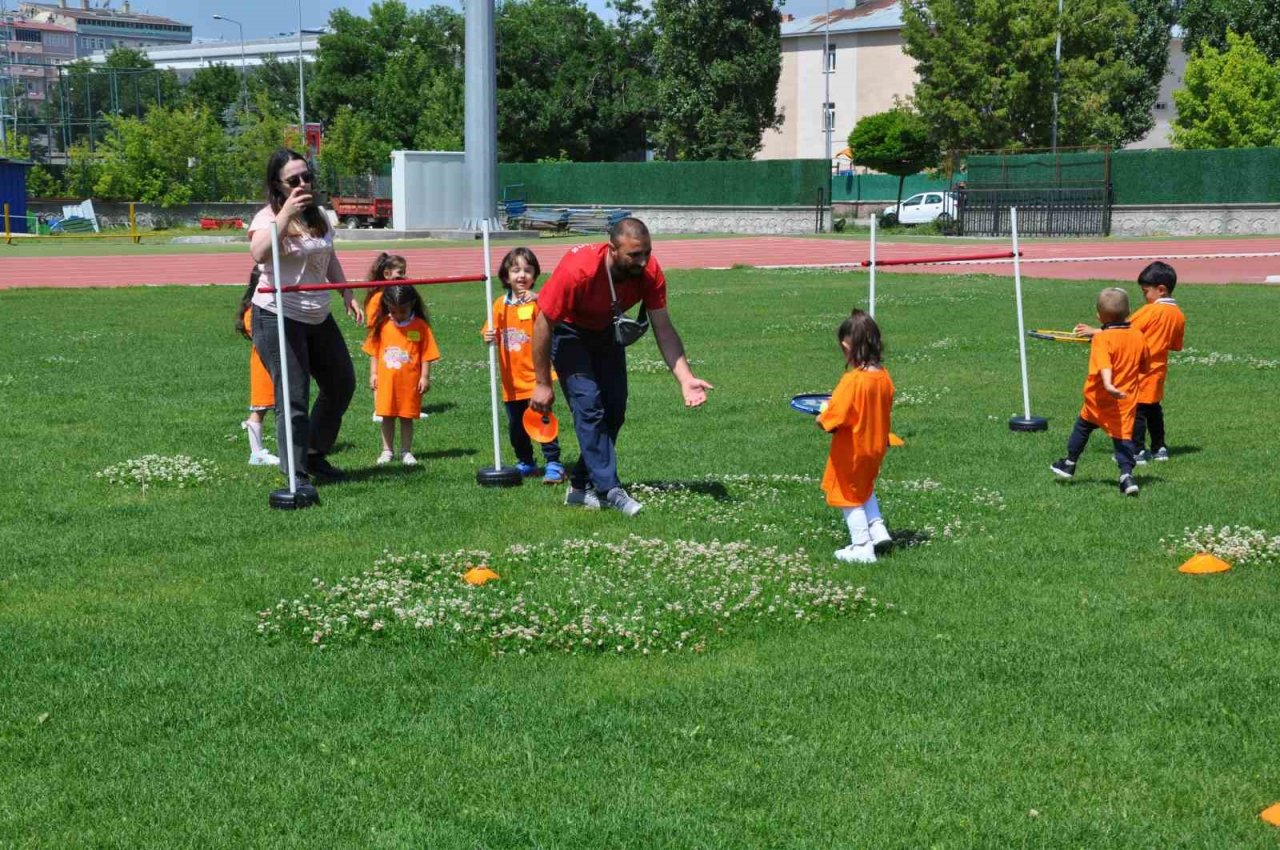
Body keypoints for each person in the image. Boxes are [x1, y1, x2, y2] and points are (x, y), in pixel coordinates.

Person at [530, 217, 712, 516]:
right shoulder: (578, 270)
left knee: (614, 408)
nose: (643, 261)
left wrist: (685, 378)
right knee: (589, 406)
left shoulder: (649, 272)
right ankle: (610, 489)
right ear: (612, 249)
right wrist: (542, 383)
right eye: (634, 254)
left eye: (647, 252)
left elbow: (663, 327)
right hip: (568, 332)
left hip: (605, 331)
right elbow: (542, 323)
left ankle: (580, 487)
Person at [249, 148, 362, 484]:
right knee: (293, 397)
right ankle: (295, 475)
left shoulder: (320, 215)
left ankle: (313, 453)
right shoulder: (267, 217)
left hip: (318, 314)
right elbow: (259, 253)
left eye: (307, 176)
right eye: (293, 180)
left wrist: (345, 291)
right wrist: (285, 214)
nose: (302, 184)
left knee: (341, 384)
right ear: (277, 184)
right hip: (278, 315)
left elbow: (328, 256)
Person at [1074, 261, 1185, 464]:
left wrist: (1096, 332)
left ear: (1161, 290)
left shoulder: (1150, 311)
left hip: (1139, 370)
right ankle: (1159, 447)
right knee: (1154, 410)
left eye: (1145, 292)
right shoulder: (1178, 315)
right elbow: (1176, 345)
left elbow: (1123, 328)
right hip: (1158, 370)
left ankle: (1136, 449)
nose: (1144, 296)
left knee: (1137, 411)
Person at [1052, 287, 1150, 496]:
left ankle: (1069, 463)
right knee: (1123, 437)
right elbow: (1144, 367)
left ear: (1099, 316)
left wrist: (1108, 384)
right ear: (1129, 312)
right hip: (1125, 400)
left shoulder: (1102, 338)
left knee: (1083, 427)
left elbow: (1104, 363)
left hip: (1098, 399)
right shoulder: (1138, 336)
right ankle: (1126, 476)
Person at [817, 309, 895, 564]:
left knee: (847, 494)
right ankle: (878, 530)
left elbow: (834, 417)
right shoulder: (884, 377)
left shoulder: (852, 381)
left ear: (846, 346)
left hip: (852, 450)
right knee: (864, 486)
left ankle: (862, 546)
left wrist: (822, 415)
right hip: (875, 447)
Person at [481, 247, 565, 483]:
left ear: (535, 275)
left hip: (536, 378)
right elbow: (489, 331)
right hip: (511, 380)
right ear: (506, 276)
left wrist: (541, 299)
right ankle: (526, 461)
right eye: (516, 270)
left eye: (528, 270)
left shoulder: (539, 302)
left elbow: (556, 319)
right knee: (516, 426)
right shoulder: (499, 305)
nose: (522, 275)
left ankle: (553, 462)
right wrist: (488, 336)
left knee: (542, 420)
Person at [363, 284, 439, 465]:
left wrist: (425, 377)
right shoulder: (382, 325)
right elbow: (374, 352)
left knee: (406, 417)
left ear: (412, 304)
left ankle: (406, 451)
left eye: (403, 311)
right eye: (393, 311)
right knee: (386, 416)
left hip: (409, 382)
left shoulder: (420, 326)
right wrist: (373, 373)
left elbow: (427, 354)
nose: (398, 315)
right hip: (386, 382)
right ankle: (387, 450)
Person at [236, 267, 279, 467]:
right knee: (260, 408)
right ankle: (256, 453)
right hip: (263, 363)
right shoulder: (253, 311)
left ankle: (288, 446)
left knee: (281, 405)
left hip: (274, 360)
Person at [363, 252, 407, 330]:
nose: (403, 276)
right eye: (400, 273)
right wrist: (389, 319)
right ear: (387, 274)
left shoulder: (400, 294)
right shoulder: (378, 297)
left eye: (404, 272)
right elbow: (371, 322)